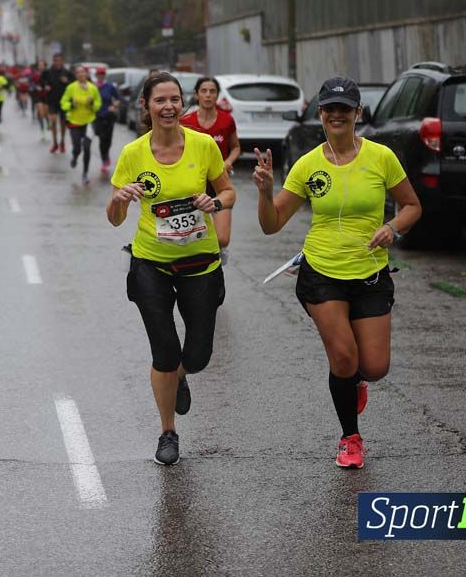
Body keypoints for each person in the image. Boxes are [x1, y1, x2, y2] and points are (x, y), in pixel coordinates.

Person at [252, 76, 422, 469]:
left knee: (374, 367)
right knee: (343, 357)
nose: (337, 115)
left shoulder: (381, 157)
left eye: (345, 108)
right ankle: (350, 438)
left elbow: (412, 206)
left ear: (357, 113)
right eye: (330, 108)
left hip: (370, 273)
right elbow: (271, 224)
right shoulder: (307, 164)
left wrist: (393, 228)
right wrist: (264, 193)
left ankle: (355, 380)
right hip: (321, 272)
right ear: (320, 114)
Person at [107, 72, 236, 466]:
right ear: (146, 106)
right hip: (151, 262)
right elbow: (114, 218)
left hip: (200, 263)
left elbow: (228, 191)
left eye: (175, 99)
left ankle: (182, 374)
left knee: (196, 357)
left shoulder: (202, 145)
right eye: (160, 100)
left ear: (183, 103)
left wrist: (215, 202)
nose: (168, 107)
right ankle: (168, 432)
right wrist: (120, 199)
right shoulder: (133, 154)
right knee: (164, 352)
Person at [181, 77, 240, 258]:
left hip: (218, 183)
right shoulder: (186, 121)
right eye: (204, 91)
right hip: (193, 185)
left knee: (222, 238)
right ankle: (202, 259)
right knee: (191, 237)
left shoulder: (227, 120)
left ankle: (217, 250)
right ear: (197, 94)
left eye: (212, 91)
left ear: (217, 95)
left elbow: (236, 148)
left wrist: (228, 161)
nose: (208, 95)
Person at [60, 66, 102, 185]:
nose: (80, 74)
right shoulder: (71, 87)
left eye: (82, 72)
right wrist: (71, 105)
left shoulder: (93, 88)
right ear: (76, 75)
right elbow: (63, 102)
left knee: (87, 148)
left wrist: (92, 103)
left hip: (89, 122)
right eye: (78, 72)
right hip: (74, 122)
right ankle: (74, 157)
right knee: (77, 147)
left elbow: (98, 105)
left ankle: (85, 173)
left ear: (86, 74)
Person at [41, 53, 74, 154]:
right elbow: (42, 81)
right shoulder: (47, 72)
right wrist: (45, 86)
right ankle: (55, 143)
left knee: (63, 123)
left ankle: (62, 142)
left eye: (59, 61)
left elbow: (73, 84)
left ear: (62, 61)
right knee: (54, 121)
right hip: (52, 100)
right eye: (56, 61)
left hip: (64, 101)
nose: (57, 63)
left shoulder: (67, 72)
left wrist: (67, 81)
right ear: (53, 61)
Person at [93, 67, 120, 175]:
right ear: (96, 75)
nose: (101, 76)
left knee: (108, 139)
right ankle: (104, 159)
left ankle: (106, 155)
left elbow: (118, 99)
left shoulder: (110, 86)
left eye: (102, 74)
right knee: (102, 138)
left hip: (109, 116)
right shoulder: (93, 87)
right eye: (99, 74)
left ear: (104, 75)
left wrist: (114, 106)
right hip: (97, 116)